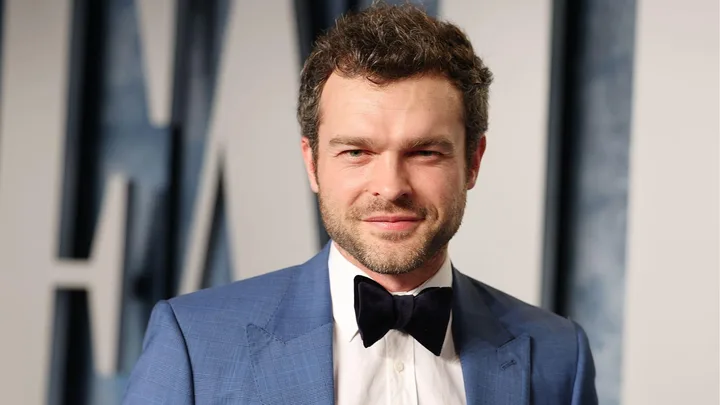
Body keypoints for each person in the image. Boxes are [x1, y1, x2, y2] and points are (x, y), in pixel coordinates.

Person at [122, 4, 597, 405]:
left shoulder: (560, 356)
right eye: (356, 152)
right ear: (312, 164)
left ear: (473, 161)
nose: (390, 186)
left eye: (424, 152)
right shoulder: (195, 343)